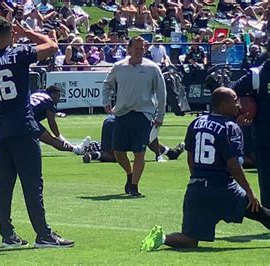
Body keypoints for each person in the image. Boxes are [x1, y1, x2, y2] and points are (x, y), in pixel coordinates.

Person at [0, 20, 74, 248]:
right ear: (12, 33)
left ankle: (7, 234)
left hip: (1, 128)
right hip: (22, 124)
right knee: (32, 183)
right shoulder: (18, 53)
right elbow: (51, 46)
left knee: (5, 184)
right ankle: (43, 234)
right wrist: (29, 32)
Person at [140, 87, 270, 251]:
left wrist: (198, 179)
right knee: (261, 213)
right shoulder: (230, 127)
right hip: (224, 189)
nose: (239, 105)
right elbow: (234, 165)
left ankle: (163, 237)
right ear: (223, 104)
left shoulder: (196, 122)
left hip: (197, 189)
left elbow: (190, 158)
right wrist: (250, 192)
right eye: (234, 100)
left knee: (189, 240)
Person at [102, 36, 166, 197]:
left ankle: (134, 186)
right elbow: (107, 84)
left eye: (142, 48)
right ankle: (130, 175)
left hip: (143, 114)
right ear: (129, 49)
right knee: (118, 152)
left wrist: (160, 115)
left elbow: (161, 92)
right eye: (136, 48)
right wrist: (106, 101)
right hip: (122, 113)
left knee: (140, 152)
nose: (139, 51)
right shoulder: (119, 66)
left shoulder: (152, 68)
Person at [231, 39, 270, 208]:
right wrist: (241, 110)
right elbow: (228, 93)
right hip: (265, 134)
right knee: (268, 178)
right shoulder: (258, 74)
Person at [82, 114, 184, 163]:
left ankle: (93, 154)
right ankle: (169, 153)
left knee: (114, 156)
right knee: (146, 136)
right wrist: (158, 155)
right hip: (126, 119)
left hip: (110, 119)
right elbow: (150, 138)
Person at [30, 85, 89, 155]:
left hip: (18, 116)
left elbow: (36, 107)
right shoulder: (49, 101)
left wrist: (55, 114)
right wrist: (60, 137)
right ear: (52, 94)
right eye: (58, 96)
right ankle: (78, 150)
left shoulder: (38, 93)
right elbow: (51, 122)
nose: (59, 99)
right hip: (27, 120)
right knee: (51, 140)